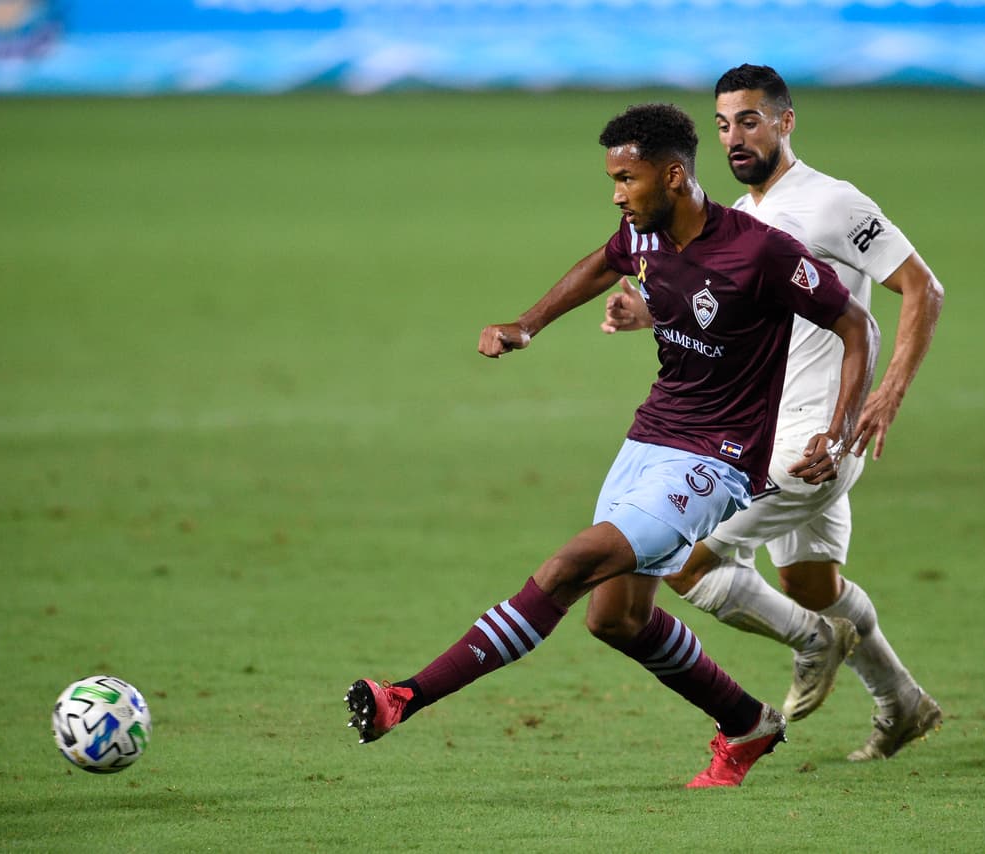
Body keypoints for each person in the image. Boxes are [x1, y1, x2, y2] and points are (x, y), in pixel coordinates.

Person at [344, 102, 880, 789]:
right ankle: (748, 724)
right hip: (650, 438)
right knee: (617, 619)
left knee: (571, 565)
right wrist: (529, 324)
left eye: (628, 180)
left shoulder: (760, 251)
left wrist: (836, 432)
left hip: (716, 461)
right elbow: (604, 263)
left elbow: (855, 324)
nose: (618, 194)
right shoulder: (644, 235)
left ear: (676, 177)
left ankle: (406, 696)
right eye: (614, 181)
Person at [603, 65, 945, 762]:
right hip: (764, 432)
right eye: (725, 123)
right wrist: (648, 313)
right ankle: (902, 703)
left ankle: (812, 643)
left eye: (751, 120)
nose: (736, 136)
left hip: (817, 439)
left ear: (787, 122)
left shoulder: (831, 204)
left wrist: (889, 394)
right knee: (813, 585)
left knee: (683, 562)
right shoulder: (746, 217)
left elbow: (922, 288)